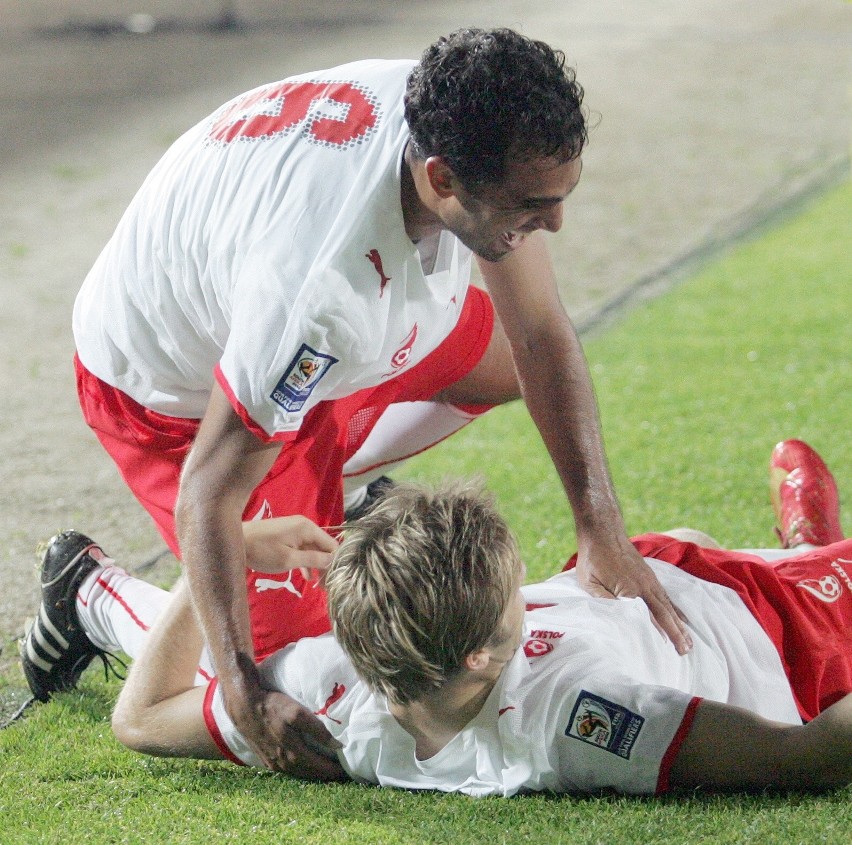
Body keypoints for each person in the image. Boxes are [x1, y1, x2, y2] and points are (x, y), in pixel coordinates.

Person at [62, 27, 690, 776]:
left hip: (290, 334)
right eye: (532, 204)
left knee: (507, 370)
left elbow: (543, 336)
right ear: (443, 178)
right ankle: (91, 594)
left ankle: (326, 483)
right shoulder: (323, 295)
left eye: (563, 194)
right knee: (293, 659)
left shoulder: (454, 109)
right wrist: (243, 690)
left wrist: (602, 530)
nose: (555, 223)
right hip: (173, 394)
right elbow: (207, 493)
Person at [21, 439, 851, 794]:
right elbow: (807, 756)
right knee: (719, 551)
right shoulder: (584, 719)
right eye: (510, 590)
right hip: (776, 628)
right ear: (486, 656)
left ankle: (802, 541)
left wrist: (231, 547)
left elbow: (138, 720)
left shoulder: (332, 696)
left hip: (628, 587)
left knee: (684, 541)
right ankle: (810, 547)